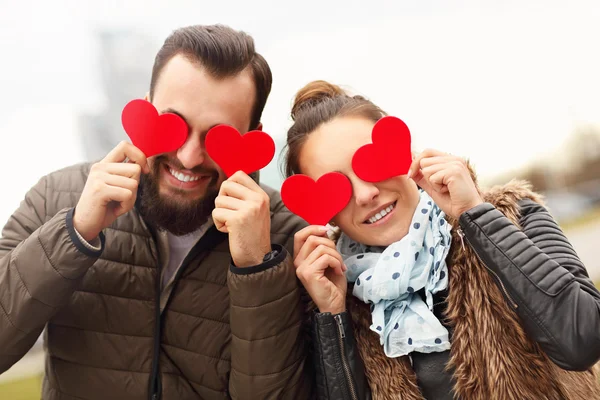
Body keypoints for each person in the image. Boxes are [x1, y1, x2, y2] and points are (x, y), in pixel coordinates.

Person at [0, 25, 312, 400]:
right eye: (175, 125)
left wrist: (257, 270)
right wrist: (75, 233)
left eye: (218, 136)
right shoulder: (56, 197)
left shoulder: (291, 239)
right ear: (146, 109)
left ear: (253, 135)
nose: (188, 157)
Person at [284, 80, 600, 399]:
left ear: (404, 154)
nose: (366, 194)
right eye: (335, 189)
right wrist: (333, 316)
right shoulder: (338, 295)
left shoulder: (513, 214)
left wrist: (476, 217)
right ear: (322, 210)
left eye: (371, 164)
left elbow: (583, 341)